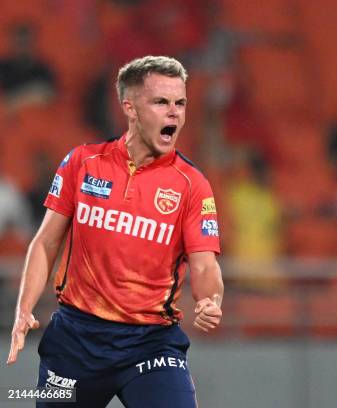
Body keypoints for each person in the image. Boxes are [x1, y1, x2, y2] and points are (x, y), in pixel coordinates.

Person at [6, 56, 224, 408]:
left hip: (150, 343)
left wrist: (210, 300)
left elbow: (204, 264)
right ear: (130, 108)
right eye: (161, 102)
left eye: (180, 103)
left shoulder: (192, 185)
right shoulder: (83, 162)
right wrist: (23, 308)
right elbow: (46, 242)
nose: (175, 113)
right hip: (75, 341)